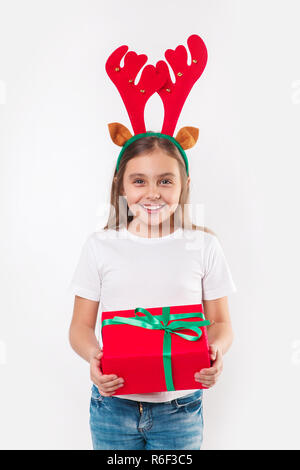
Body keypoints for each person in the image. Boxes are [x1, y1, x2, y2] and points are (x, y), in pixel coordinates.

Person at [68, 34, 237, 450]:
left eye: (165, 180)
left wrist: (215, 351)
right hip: (112, 407)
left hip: (180, 408)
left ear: (184, 185)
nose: (153, 192)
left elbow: (221, 323)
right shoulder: (100, 246)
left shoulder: (204, 247)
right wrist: (93, 356)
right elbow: (80, 327)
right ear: (121, 186)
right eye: (139, 180)